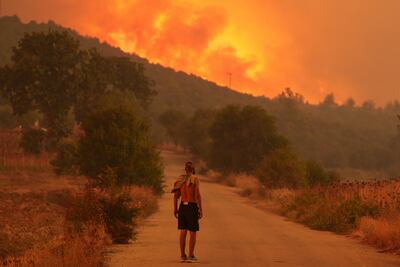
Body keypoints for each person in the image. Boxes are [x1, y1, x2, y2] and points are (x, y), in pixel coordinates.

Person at [172, 161, 203, 263]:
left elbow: (176, 196)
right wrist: (200, 209)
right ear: (193, 170)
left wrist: (175, 209)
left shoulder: (180, 180)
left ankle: (182, 256)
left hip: (182, 206)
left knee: (183, 231)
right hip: (191, 206)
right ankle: (190, 255)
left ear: (185, 169)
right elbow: (197, 195)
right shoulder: (195, 179)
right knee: (192, 232)